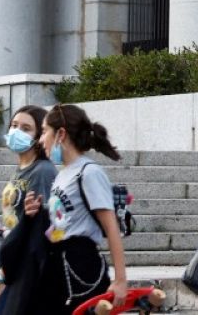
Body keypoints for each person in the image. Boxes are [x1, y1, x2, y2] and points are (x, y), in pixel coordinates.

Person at [24, 104, 129, 315]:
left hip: (81, 267)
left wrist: (120, 280)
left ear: (61, 133)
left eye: (45, 131)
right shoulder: (62, 174)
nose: (41, 139)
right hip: (56, 264)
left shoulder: (89, 173)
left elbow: (111, 228)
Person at [0, 106, 58, 315]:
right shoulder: (22, 169)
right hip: (9, 263)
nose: (17, 132)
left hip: (20, 270)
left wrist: (0, 279)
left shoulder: (42, 171)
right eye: (14, 126)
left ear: (39, 135)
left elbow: (35, 229)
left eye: (26, 128)